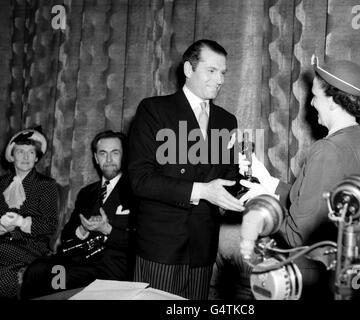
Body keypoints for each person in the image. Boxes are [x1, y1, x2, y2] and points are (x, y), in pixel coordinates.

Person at [238, 56, 360, 299]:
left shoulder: (327, 150)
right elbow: (315, 201)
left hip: (321, 273)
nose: (312, 104)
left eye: (316, 96)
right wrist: (269, 182)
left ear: (334, 101)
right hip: (354, 266)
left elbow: (298, 236)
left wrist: (264, 204)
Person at [128, 39, 244, 299]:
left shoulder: (227, 120)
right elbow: (140, 180)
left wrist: (248, 181)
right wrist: (202, 190)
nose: (220, 79)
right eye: (211, 71)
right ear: (188, 70)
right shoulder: (154, 110)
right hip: (162, 247)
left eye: (223, 72)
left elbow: (227, 178)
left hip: (203, 247)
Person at [21, 130, 136, 299]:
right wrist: (82, 230)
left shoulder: (135, 192)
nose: (109, 160)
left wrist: (108, 230)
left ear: (123, 156)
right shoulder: (87, 192)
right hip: (80, 261)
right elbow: (67, 235)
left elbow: (142, 240)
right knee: (36, 269)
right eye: (103, 154)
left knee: (57, 279)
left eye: (115, 153)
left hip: (112, 268)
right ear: (96, 158)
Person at [0, 128, 58, 299]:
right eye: (20, 151)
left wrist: (21, 222)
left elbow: (50, 225)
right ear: (12, 156)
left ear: (37, 157)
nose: (25, 157)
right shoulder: (1, 183)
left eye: (31, 152)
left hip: (31, 246)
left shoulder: (46, 185)